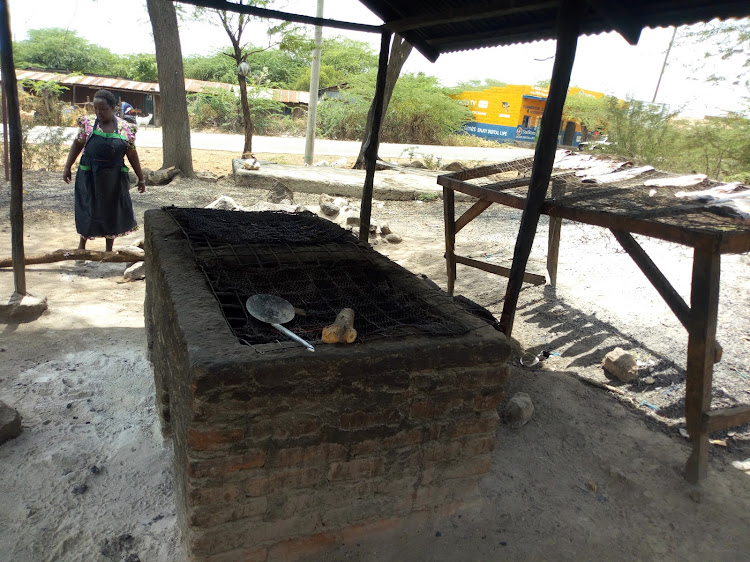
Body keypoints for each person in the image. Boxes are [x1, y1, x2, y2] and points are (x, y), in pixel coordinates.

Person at [63, 89, 146, 252]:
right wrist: (67, 167)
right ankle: (82, 246)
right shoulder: (87, 124)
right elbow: (77, 145)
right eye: (96, 109)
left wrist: (141, 178)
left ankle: (109, 250)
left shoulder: (126, 128)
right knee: (87, 208)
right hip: (89, 175)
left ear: (114, 108)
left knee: (111, 210)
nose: (99, 112)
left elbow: (132, 154)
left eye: (103, 109)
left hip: (113, 178)